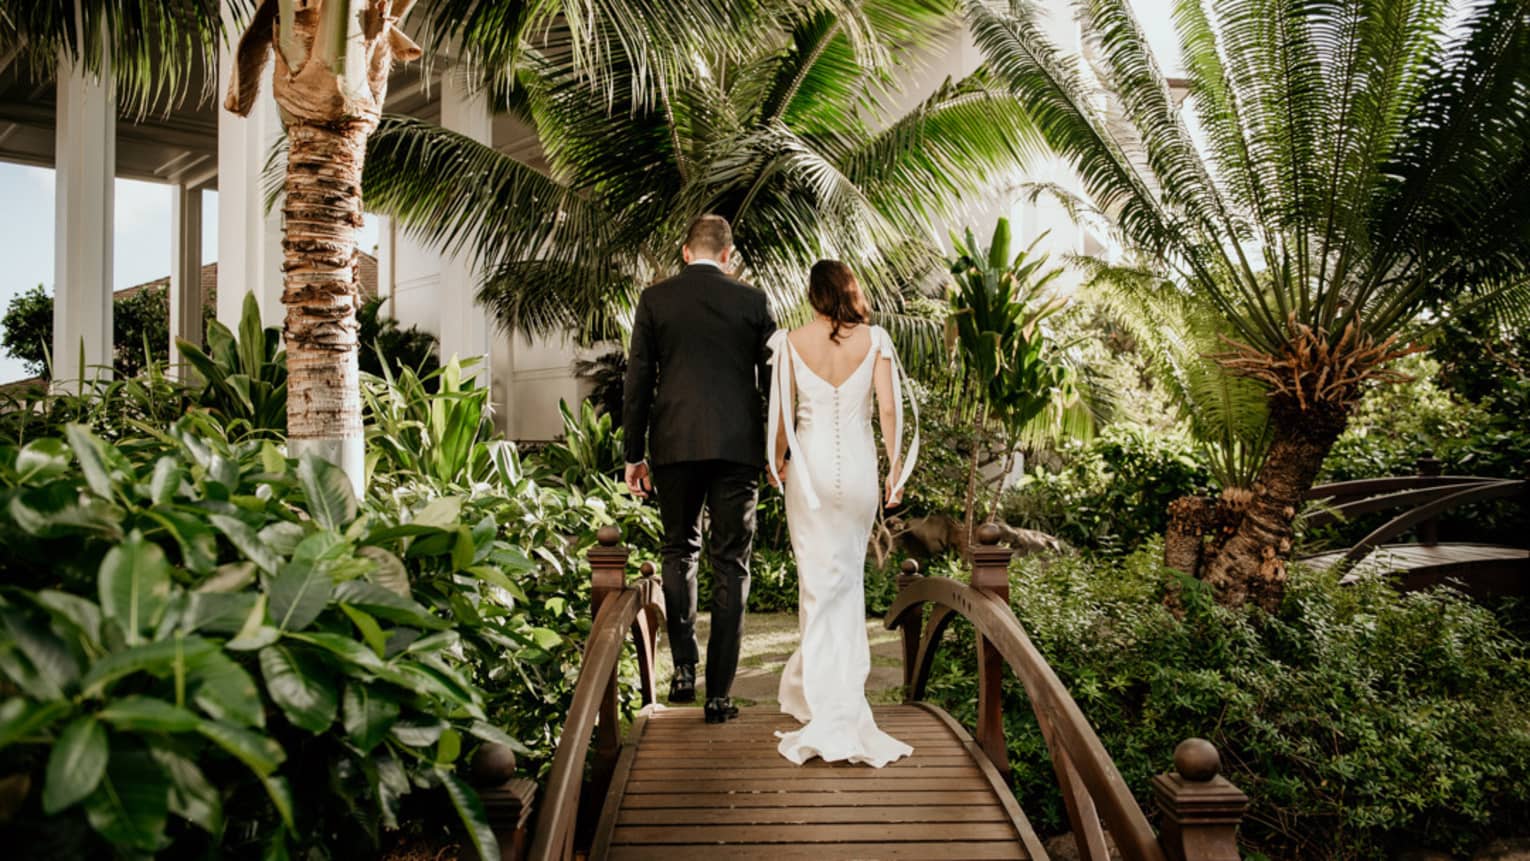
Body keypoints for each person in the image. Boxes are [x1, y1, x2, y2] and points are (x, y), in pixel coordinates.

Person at [622, 214, 776, 725]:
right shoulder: (753, 301)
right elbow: (773, 382)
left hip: (675, 443)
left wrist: (633, 453)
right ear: (727, 256)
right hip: (738, 447)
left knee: (678, 548)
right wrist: (777, 451)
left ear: (686, 252)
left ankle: (684, 669)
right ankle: (719, 695)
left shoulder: (656, 299)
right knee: (731, 562)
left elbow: (639, 380)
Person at [766, 260, 919, 767]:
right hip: (856, 472)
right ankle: (835, 697)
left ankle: (823, 701)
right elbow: (890, 410)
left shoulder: (792, 341)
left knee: (816, 583)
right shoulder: (875, 340)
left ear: (813, 296)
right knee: (846, 582)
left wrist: (778, 460)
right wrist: (895, 467)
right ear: (851, 291)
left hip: (808, 473)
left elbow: (785, 413)